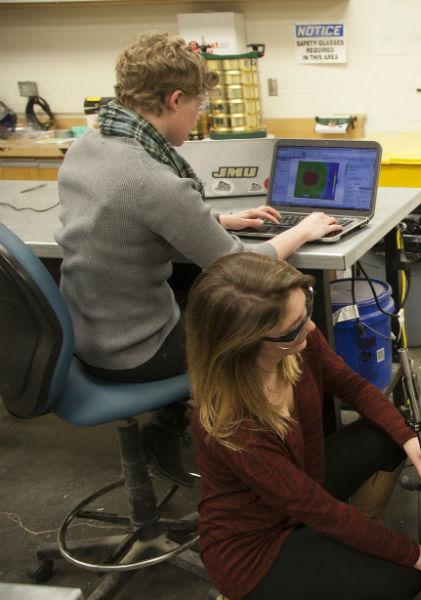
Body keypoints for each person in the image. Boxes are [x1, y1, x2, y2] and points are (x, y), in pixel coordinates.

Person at [55, 32, 342, 486]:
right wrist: (301, 230)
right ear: (174, 99)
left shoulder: (89, 146)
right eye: (198, 106)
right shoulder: (155, 181)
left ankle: (167, 426)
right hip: (137, 351)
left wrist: (215, 219)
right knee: (291, 327)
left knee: (201, 293)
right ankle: (300, 473)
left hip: (85, 333)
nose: (197, 116)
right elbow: (241, 269)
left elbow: (130, 222)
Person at [186, 252, 421, 600]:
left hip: (302, 488)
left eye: (306, 309)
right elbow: (318, 509)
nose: (310, 327)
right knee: (403, 579)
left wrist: (409, 437)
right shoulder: (232, 423)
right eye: (294, 327)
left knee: (389, 432)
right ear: (243, 345)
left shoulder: (297, 345)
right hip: (256, 549)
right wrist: (415, 553)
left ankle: (359, 535)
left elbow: (354, 387)